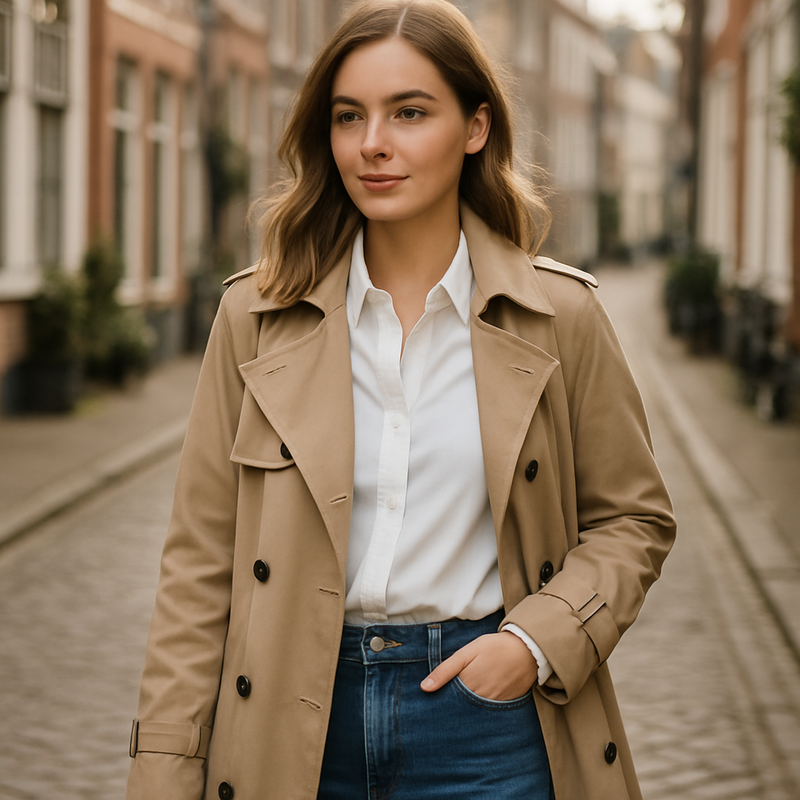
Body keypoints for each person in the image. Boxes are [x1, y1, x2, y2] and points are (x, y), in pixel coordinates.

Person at [125, 1, 676, 798]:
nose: (372, 143)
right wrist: (164, 771)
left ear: (475, 127)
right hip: (293, 722)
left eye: (409, 112)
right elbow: (198, 570)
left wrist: (532, 642)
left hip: (487, 726)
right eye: (350, 116)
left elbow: (634, 520)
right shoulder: (253, 319)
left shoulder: (563, 319)